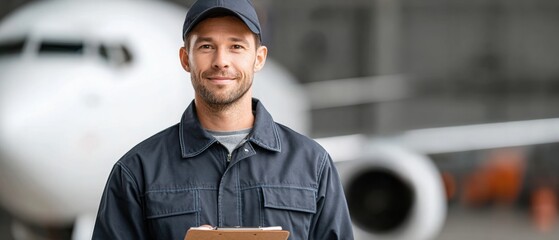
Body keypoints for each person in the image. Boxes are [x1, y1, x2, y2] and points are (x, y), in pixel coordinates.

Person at [91, 0, 354, 239]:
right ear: (185, 59)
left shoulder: (313, 165)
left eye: (236, 46)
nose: (221, 61)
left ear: (259, 58)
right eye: (206, 46)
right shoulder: (137, 171)